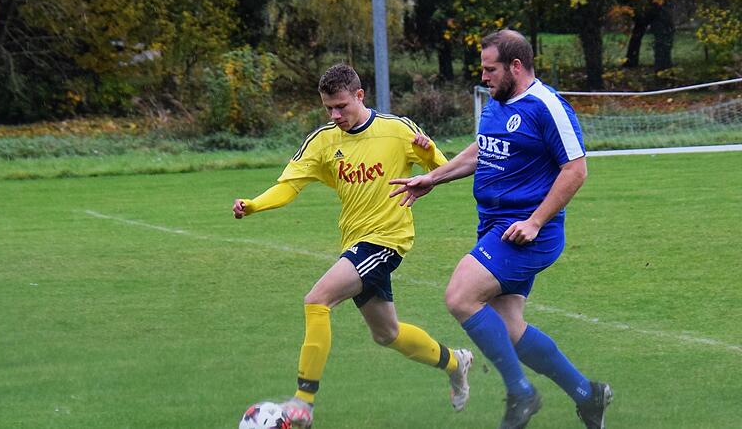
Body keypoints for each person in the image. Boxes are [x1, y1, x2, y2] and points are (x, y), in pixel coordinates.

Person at [389, 29, 612, 429]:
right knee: (508, 328)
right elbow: (482, 149)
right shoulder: (495, 104)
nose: (484, 77)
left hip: (527, 232)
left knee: (460, 296)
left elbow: (575, 170)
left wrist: (535, 221)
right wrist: (433, 178)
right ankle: (587, 393)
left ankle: (521, 393)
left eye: (490, 69)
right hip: (494, 227)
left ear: (515, 66)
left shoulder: (547, 106)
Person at [232, 64, 473, 428]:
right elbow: (289, 185)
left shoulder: (396, 130)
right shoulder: (323, 141)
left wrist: (427, 155)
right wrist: (253, 205)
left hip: (388, 239)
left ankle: (303, 402)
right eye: (328, 108)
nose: (335, 115)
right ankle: (456, 362)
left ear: (360, 96)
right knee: (386, 334)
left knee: (317, 299)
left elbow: (443, 168)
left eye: (341, 106)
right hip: (355, 240)